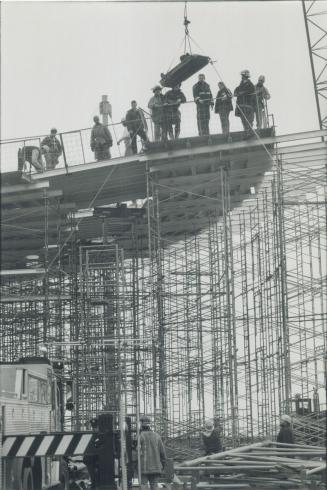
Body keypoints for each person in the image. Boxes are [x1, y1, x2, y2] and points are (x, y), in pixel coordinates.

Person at [139, 415, 166, 490]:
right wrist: (163, 464)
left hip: (144, 468)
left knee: (143, 485)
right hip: (156, 467)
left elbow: (136, 451)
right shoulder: (157, 436)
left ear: (141, 425)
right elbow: (162, 453)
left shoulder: (140, 436)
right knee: (154, 486)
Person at [234, 70, 256, 138]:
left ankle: (250, 132)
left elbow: (251, 90)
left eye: (242, 76)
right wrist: (236, 93)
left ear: (245, 76)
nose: (242, 77)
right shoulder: (241, 84)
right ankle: (247, 132)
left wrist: (242, 93)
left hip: (247, 104)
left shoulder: (250, 84)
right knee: (243, 120)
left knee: (248, 119)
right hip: (241, 104)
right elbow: (236, 90)